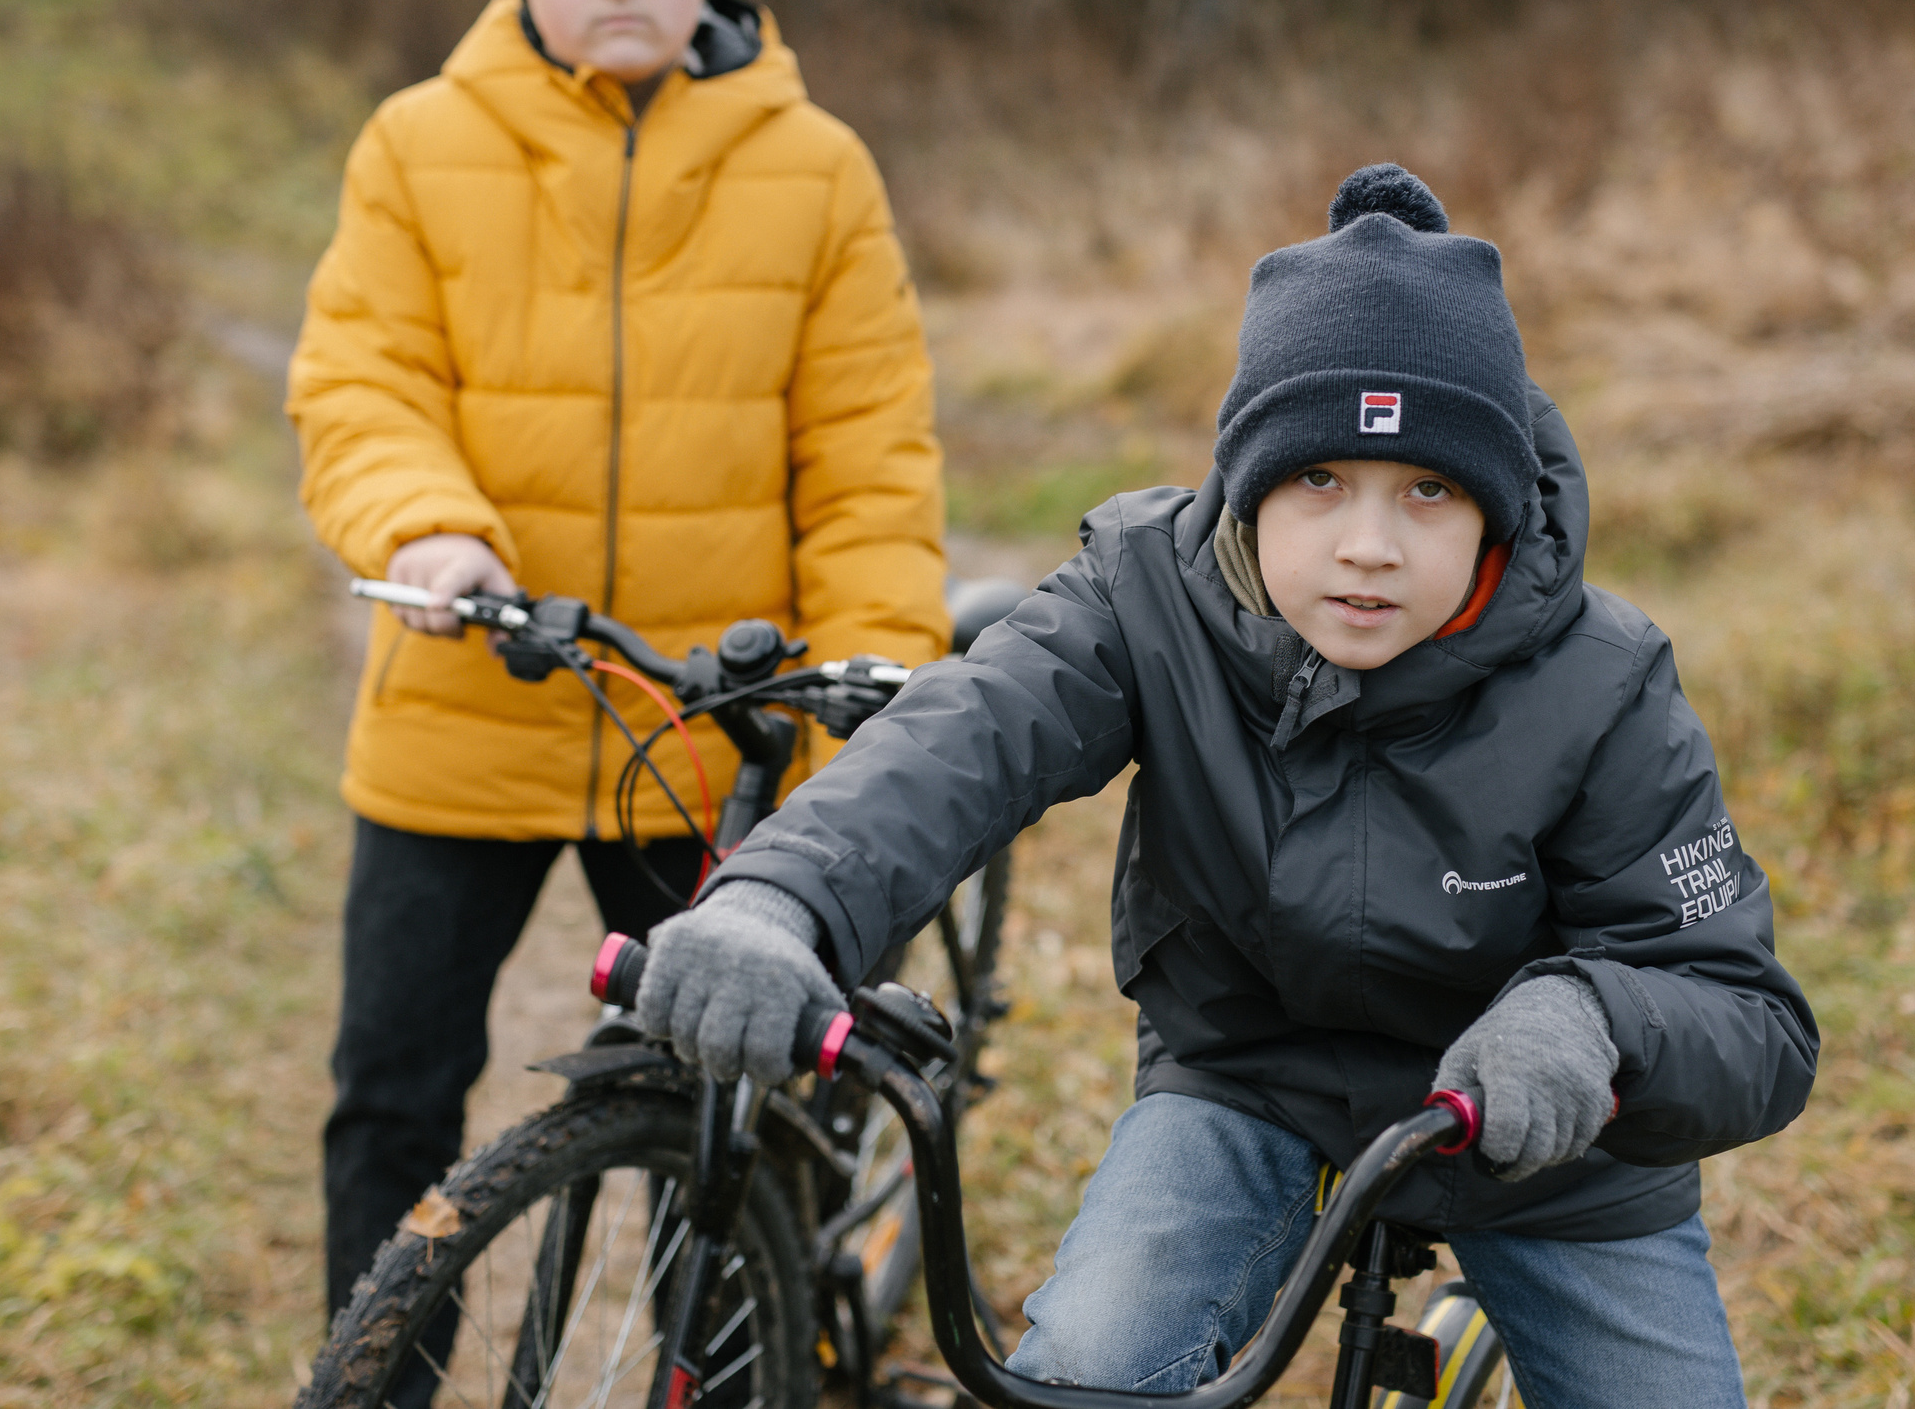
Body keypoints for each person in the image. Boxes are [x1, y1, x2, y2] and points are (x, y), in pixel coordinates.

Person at [635, 165, 1818, 1408]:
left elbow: (1750, 1018)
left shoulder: (1606, 681)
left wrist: (1592, 1021)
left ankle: (1484, 1329)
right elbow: (958, 740)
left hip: (1553, 1149)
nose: (1369, 543)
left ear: (1498, 516)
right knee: (1089, 1375)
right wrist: (780, 899)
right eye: (1317, 482)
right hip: (1250, 1082)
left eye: (1429, 490)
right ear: (1247, 494)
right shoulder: (1144, 597)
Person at [285, 0, 948, 1346]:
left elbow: (867, 455)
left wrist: (880, 685)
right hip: (469, 708)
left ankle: (744, 1366)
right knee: (391, 1088)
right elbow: (360, 382)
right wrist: (429, 527)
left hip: (710, 732)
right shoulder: (416, 145)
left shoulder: (820, 168)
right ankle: (371, 1380)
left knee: (738, 1093)